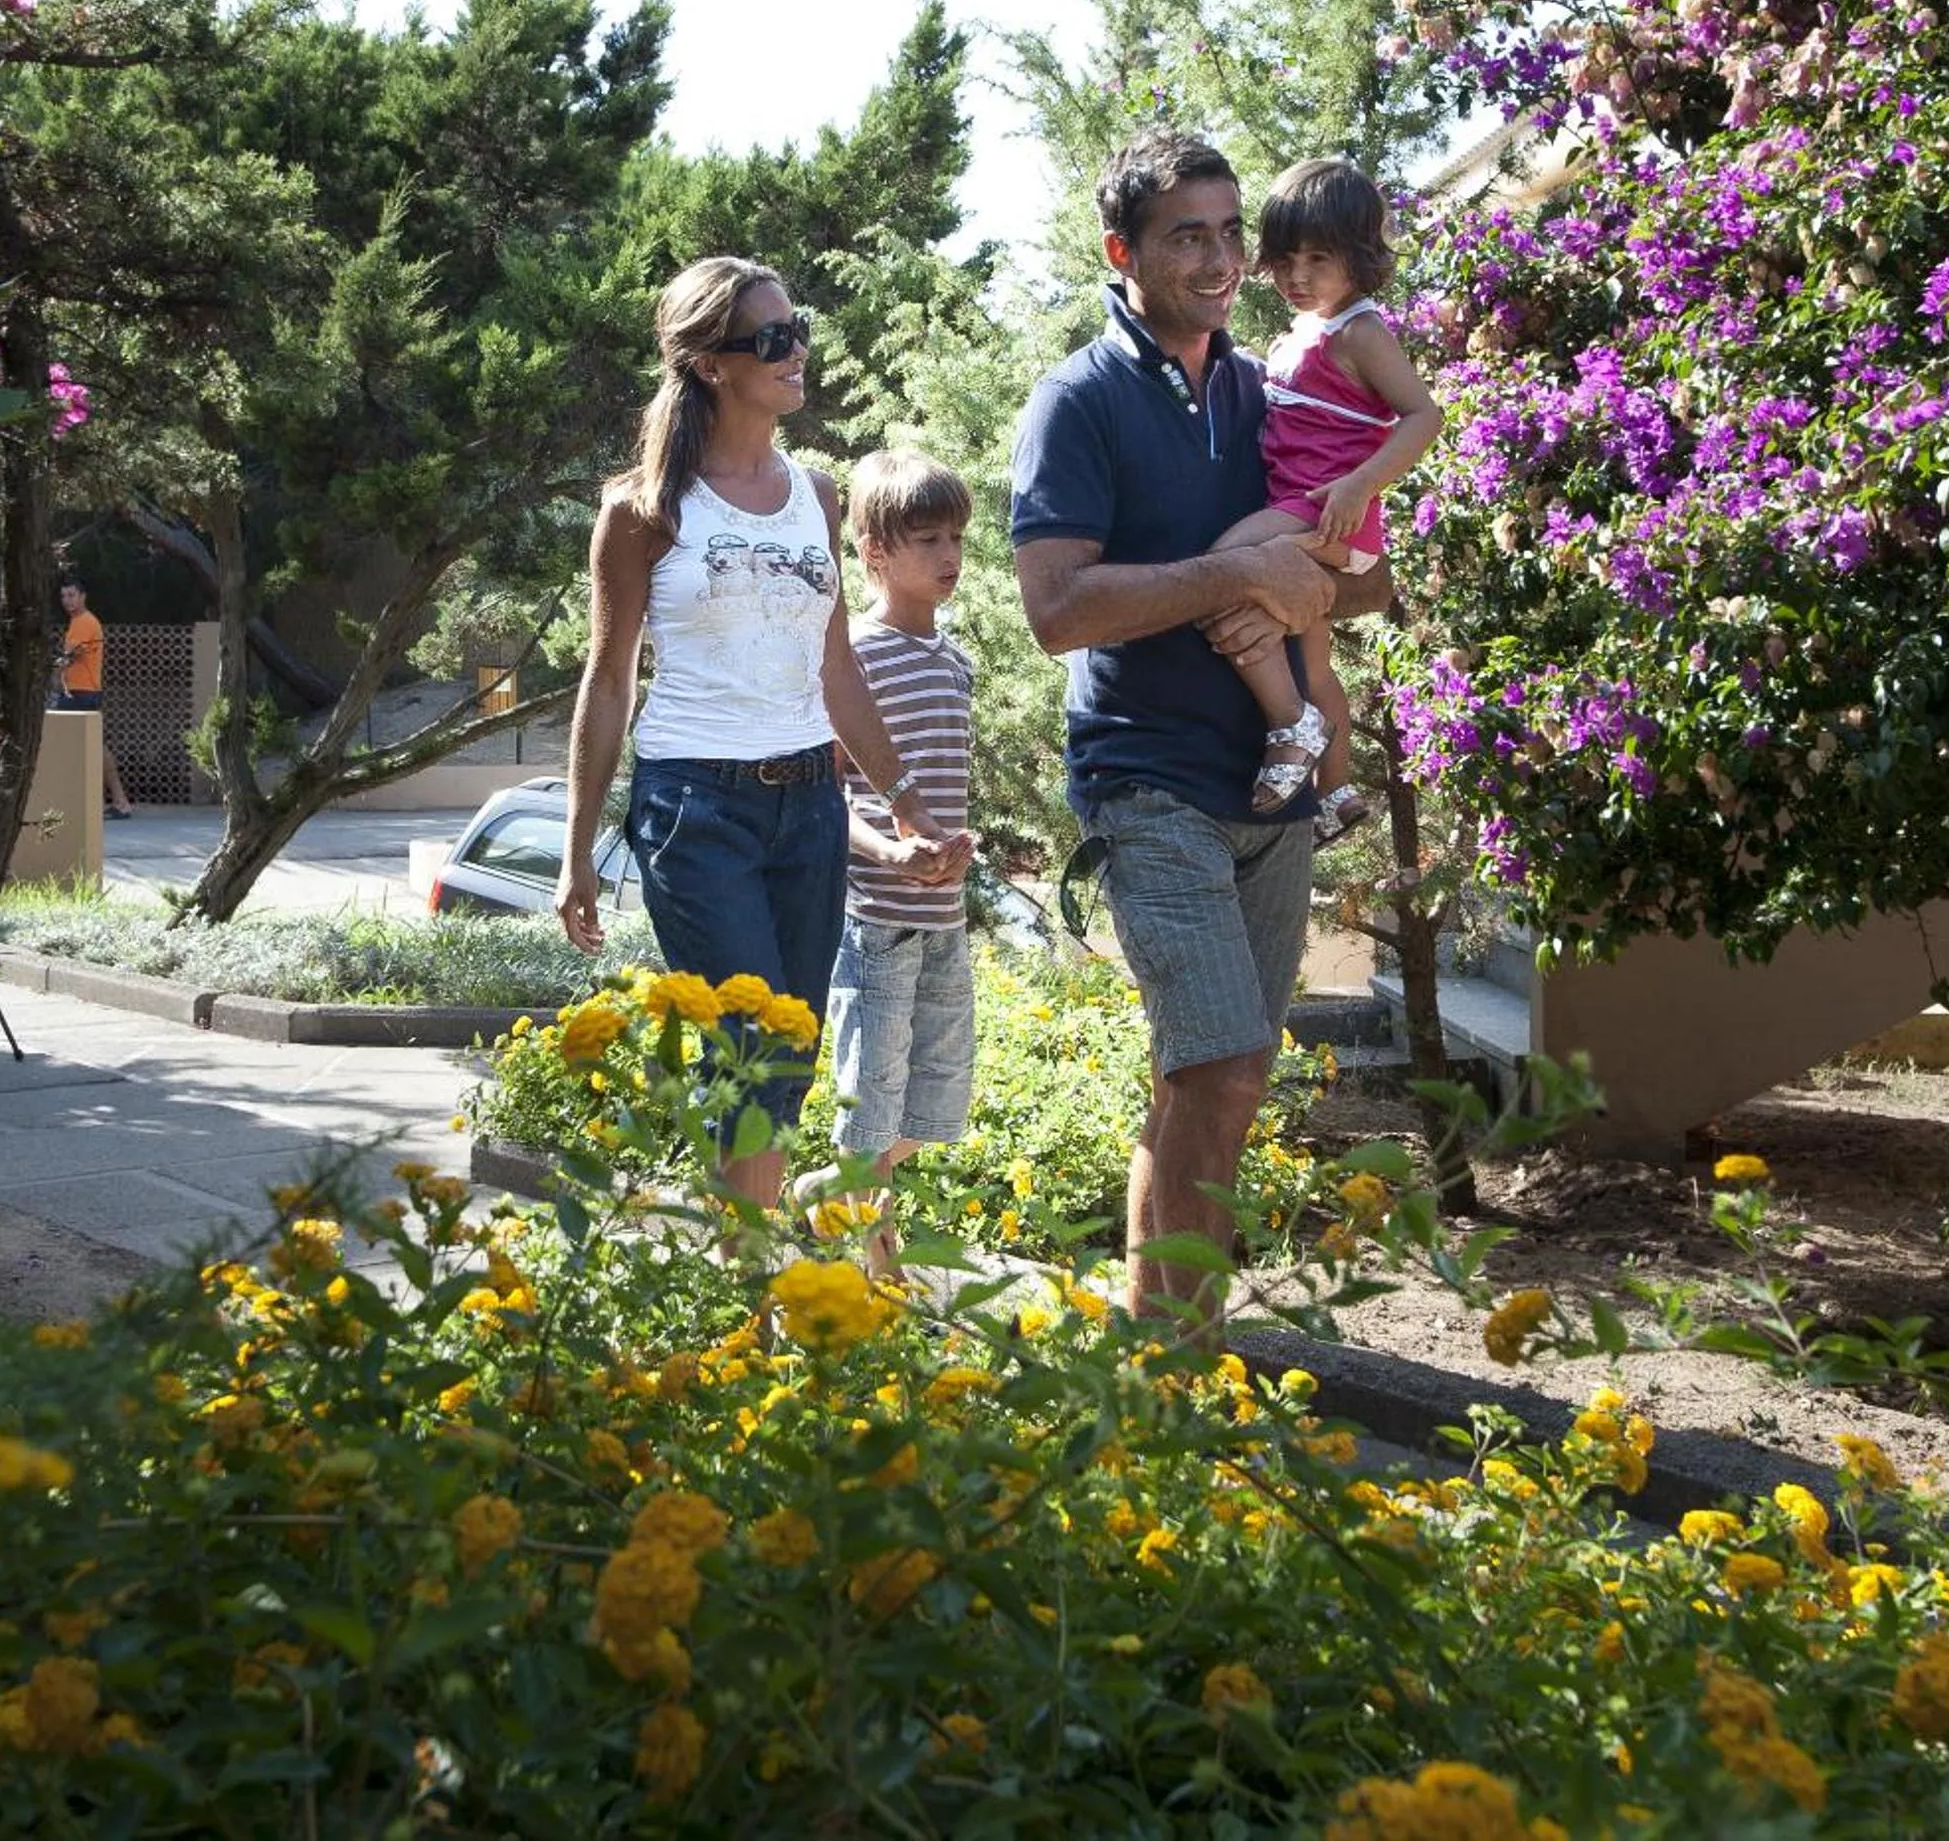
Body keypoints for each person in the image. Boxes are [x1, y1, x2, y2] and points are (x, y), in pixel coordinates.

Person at [1009, 128, 1394, 1321]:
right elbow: (1057, 609)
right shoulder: (1076, 401)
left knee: (1214, 1076)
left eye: (1232, 232)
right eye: (1189, 234)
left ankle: (1160, 1344)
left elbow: (1364, 571)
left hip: (1268, 788)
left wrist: (1307, 583)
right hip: (1147, 780)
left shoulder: (1269, 384)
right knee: (1218, 1067)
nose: (1223, 256)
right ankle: (1181, 1362)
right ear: (1123, 251)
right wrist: (1240, 579)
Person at [555, 256, 965, 1231]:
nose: (797, 352)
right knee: (751, 1048)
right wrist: (577, 848)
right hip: (695, 808)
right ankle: (749, 1298)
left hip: (810, 812)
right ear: (710, 364)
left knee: (789, 1051)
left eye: (798, 328)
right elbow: (608, 679)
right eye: (772, 339)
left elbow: (836, 671)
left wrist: (902, 795)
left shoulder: (815, 496)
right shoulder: (643, 510)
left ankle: (732, 1265)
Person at [1203, 158, 1442, 842]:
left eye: (1317, 258)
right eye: (1284, 259)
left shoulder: (1361, 331)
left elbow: (1423, 416)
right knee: (1314, 660)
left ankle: (1290, 725)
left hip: (1330, 511)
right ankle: (1335, 787)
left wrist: (1361, 483)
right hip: (1308, 506)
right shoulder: (1304, 331)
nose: (1296, 276)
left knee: (1223, 564)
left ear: (1358, 257)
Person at [798, 448, 981, 1282]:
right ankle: (877, 1265)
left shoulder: (954, 662)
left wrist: (950, 855)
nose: (949, 556)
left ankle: (825, 1192)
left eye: (956, 537)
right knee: (869, 1109)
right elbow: (825, 796)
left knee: (936, 1107)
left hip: (944, 920)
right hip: (873, 921)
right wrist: (891, 852)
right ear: (873, 552)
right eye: (927, 539)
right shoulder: (853, 659)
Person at [52, 578, 133, 818]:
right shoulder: (81, 621)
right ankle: (119, 802)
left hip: (81, 694)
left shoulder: (83, 623)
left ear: (83, 596)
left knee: (59, 742)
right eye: (64, 596)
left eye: (72, 595)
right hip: (84, 692)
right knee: (95, 747)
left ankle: (86, 802)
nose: (67, 600)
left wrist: (51, 676)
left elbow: (67, 659)